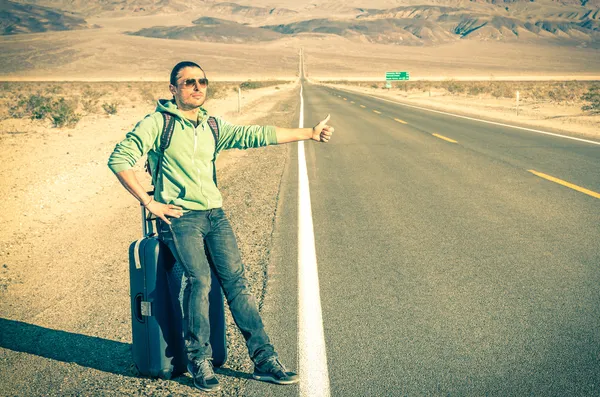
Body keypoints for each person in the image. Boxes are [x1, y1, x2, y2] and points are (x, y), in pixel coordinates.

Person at [107, 61, 333, 392]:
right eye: (188, 83)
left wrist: (309, 133)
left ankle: (264, 360)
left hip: (215, 214)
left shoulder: (212, 124)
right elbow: (119, 159)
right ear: (173, 89)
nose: (197, 87)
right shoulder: (158, 123)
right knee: (200, 281)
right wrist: (149, 202)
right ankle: (199, 359)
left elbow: (256, 135)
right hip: (179, 218)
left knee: (237, 284)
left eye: (202, 81)